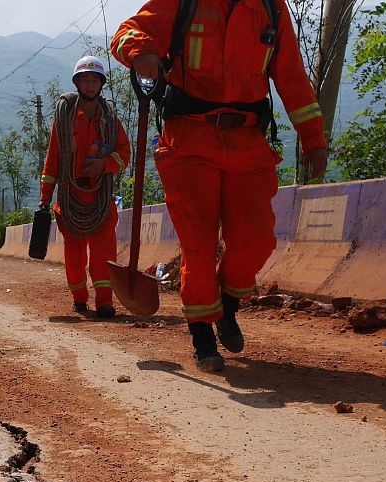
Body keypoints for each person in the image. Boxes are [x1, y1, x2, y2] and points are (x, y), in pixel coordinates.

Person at [111, 0, 327, 371]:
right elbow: (126, 32)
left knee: (256, 240)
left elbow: (292, 77)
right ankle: (202, 338)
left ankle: (226, 306)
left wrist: (313, 137)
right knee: (198, 244)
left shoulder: (271, 9)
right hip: (189, 142)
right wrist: (141, 53)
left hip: (247, 142)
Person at [39, 55, 131, 318]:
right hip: (71, 200)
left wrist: (104, 164)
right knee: (75, 253)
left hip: (101, 200)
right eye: (84, 80)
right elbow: (53, 159)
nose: (89, 85)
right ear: (77, 83)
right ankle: (79, 298)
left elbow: (124, 153)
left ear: (101, 84)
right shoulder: (65, 119)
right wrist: (45, 197)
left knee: (104, 252)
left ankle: (105, 302)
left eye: (94, 80)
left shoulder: (112, 121)